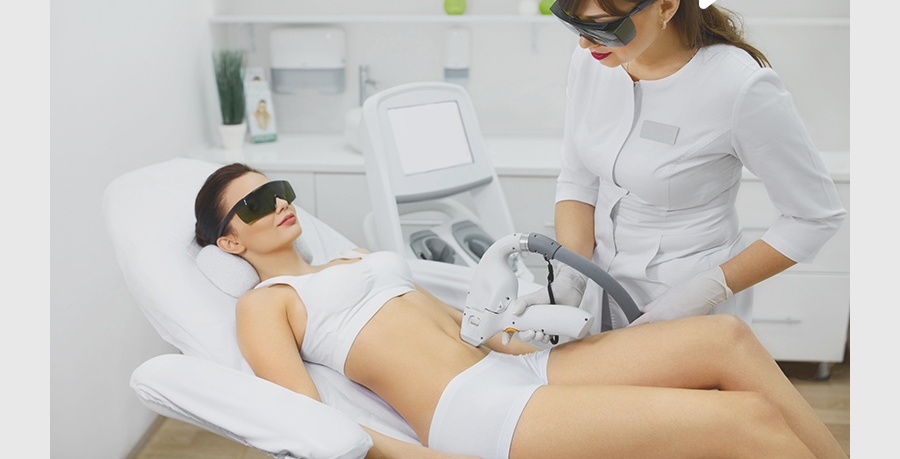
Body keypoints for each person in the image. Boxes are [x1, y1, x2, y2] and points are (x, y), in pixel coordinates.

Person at [194, 162, 847, 459]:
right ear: (230, 242)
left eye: (278, 190)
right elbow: (309, 421)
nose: (279, 204)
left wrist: (520, 331)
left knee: (724, 337)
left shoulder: (356, 258)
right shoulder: (265, 304)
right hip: (474, 410)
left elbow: (460, 325)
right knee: (746, 421)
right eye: (255, 205)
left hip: (514, 368)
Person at [515, 0, 846, 331]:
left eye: (604, 26)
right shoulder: (593, 61)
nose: (585, 43)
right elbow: (579, 180)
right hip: (598, 291)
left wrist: (706, 290)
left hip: (686, 305)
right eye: (574, 23)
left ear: (667, 5)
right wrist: (572, 275)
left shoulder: (738, 85)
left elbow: (814, 217)